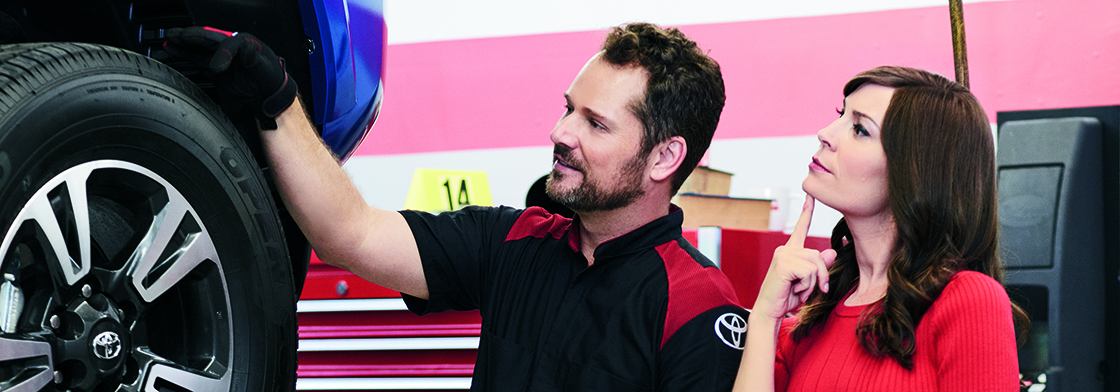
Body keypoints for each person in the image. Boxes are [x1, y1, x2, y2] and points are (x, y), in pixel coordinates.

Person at [166, 23, 749, 391]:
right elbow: (355, 234)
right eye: (568, 108)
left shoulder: (699, 313)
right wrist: (280, 103)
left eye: (595, 124)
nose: (560, 132)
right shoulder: (517, 240)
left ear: (663, 157)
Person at [732, 66, 1028, 391]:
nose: (825, 134)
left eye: (860, 129)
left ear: (916, 172)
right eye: (840, 115)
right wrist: (764, 317)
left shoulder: (968, 301)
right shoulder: (805, 325)